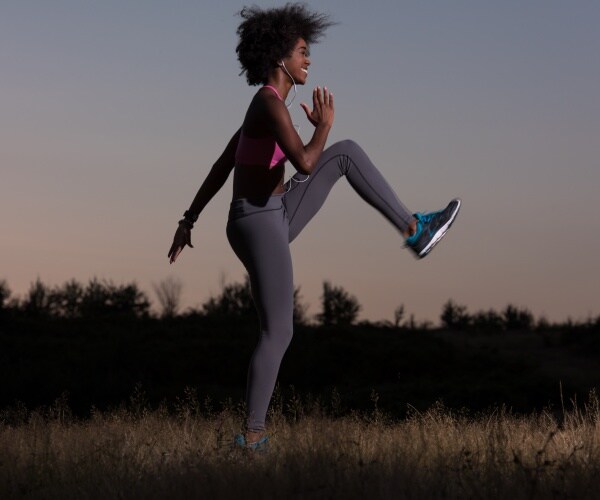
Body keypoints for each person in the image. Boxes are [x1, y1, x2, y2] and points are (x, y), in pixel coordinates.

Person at [168, 3, 460, 450]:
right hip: (259, 221)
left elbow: (222, 164)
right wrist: (322, 127)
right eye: (303, 51)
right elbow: (304, 160)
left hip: (271, 214)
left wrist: (188, 220)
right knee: (279, 331)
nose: (309, 60)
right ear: (280, 55)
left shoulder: (268, 108)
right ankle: (252, 436)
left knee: (343, 153)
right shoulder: (267, 103)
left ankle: (414, 229)